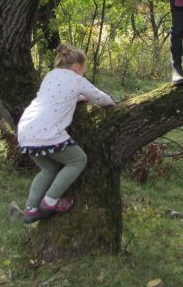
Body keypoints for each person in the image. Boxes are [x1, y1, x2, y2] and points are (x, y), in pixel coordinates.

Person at [18, 44, 116, 224]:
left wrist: (79, 97)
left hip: (26, 130)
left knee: (49, 168)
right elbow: (98, 96)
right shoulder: (76, 79)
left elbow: (58, 96)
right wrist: (111, 104)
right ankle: (50, 201)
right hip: (47, 132)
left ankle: (31, 209)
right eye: (83, 70)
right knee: (78, 160)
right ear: (78, 67)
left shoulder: (50, 76)